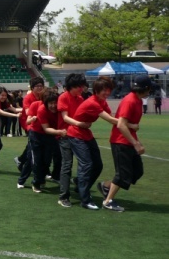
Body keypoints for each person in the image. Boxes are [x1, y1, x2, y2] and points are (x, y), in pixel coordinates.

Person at [67, 77, 124, 210]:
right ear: (97, 90)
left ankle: (80, 185)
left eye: (109, 90)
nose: (107, 93)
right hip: (76, 134)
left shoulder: (102, 101)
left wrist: (122, 121)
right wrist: (129, 124)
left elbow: (112, 116)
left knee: (97, 165)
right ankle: (85, 199)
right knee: (86, 164)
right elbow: (111, 120)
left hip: (86, 134)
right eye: (104, 90)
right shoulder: (92, 103)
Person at [98, 75, 152, 212]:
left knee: (137, 171)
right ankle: (108, 201)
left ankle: (106, 186)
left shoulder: (138, 100)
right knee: (123, 174)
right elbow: (121, 124)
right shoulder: (130, 100)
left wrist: (134, 137)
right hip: (120, 141)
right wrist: (136, 143)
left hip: (128, 140)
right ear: (146, 88)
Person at [18, 90, 66, 191]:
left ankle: (40, 179)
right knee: (35, 160)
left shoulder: (59, 109)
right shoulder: (39, 107)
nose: (53, 105)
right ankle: (32, 182)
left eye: (55, 102)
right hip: (36, 135)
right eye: (51, 103)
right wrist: (60, 132)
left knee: (46, 160)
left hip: (50, 136)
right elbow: (43, 127)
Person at [56, 73, 89, 208]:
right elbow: (65, 117)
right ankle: (63, 196)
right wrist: (80, 124)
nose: (81, 89)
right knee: (67, 164)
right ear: (71, 86)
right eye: (78, 86)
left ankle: (79, 185)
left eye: (82, 86)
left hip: (77, 135)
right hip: (65, 135)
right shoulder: (63, 97)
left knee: (87, 163)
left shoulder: (80, 99)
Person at [14, 77, 45, 169]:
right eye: (37, 86)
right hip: (27, 121)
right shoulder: (28, 98)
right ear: (32, 87)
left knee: (34, 144)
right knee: (34, 141)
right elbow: (28, 112)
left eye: (41, 86)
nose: (40, 88)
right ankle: (27, 163)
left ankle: (21, 160)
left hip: (38, 120)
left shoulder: (43, 96)